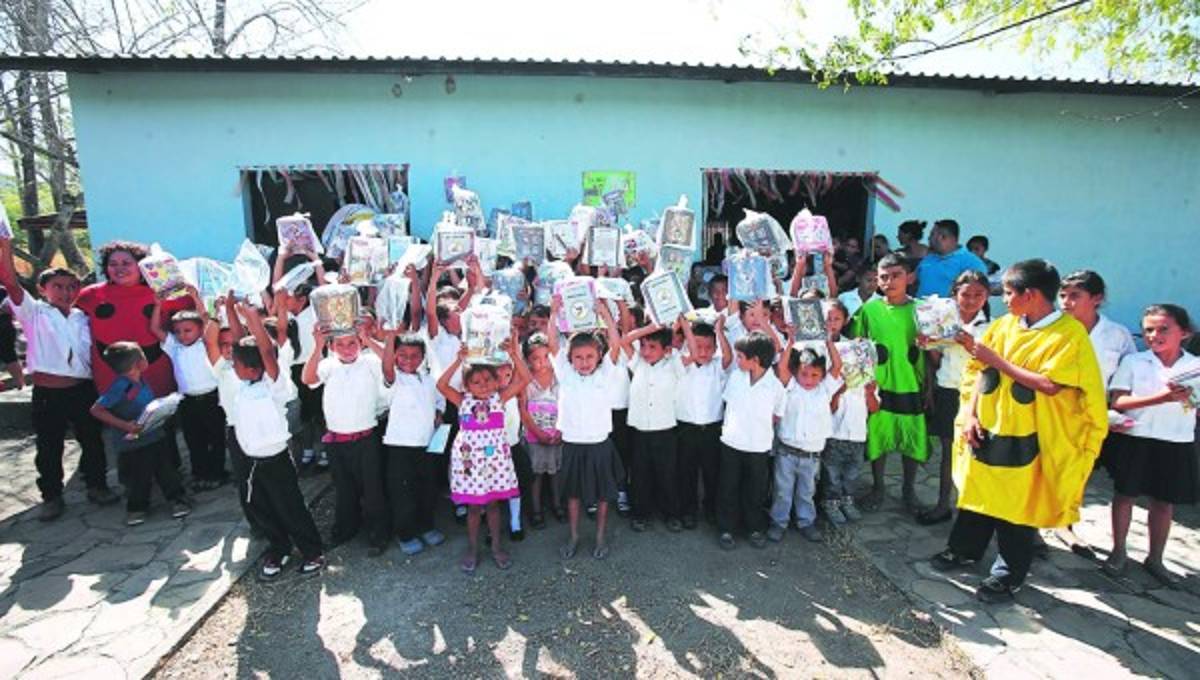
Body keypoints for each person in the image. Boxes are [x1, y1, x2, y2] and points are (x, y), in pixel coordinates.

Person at [931, 259, 1107, 603]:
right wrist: (971, 416)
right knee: (977, 494)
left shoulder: (1068, 336)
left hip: (1031, 437)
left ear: (1031, 294)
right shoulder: (1004, 326)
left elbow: (1050, 384)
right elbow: (978, 373)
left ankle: (1008, 575)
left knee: (1018, 507)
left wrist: (997, 361)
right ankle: (964, 550)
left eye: (1009, 293)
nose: (1005, 299)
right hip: (989, 426)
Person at [0, 237, 115, 518]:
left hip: (82, 388)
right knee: (49, 445)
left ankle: (97, 485)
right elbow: (12, 284)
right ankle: (51, 495)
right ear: (43, 289)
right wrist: (6, 248)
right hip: (49, 392)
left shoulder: (83, 317)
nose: (65, 292)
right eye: (58, 287)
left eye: (71, 287)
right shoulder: (35, 313)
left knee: (92, 440)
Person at [227, 302, 325, 581]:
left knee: (290, 507)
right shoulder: (244, 386)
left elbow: (266, 351)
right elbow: (238, 340)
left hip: (276, 460)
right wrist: (234, 314)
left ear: (252, 368)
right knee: (262, 508)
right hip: (251, 460)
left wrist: (253, 319)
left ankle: (312, 551)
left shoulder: (274, 386)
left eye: (236, 364)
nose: (232, 367)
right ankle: (279, 547)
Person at [1103, 304, 1198, 586]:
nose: (1155, 335)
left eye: (1163, 329)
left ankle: (1155, 557)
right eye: (1148, 330)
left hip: (1175, 439)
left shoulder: (1194, 366)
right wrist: (1160, 398)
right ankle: (1118, 551)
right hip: (1137, 437)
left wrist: (1188, 399)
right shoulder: (1135, 362)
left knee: (1164, 502)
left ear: (1185, 333)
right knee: (1125, 495)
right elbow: (1119, 401)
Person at [436, 334, 531, 574]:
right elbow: (441, 385)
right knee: (474, 508)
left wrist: (513, 355)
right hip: (469, 463)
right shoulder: (462, 400)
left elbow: (525, 378)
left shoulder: (500, 398)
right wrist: (459, 361)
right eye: (476, 382)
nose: (484, 385)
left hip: (495, 463)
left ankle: (497, 546)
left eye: (488, 379)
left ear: (497, 381)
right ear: (467, 385)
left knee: (494, 506)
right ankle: (473, 548)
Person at [848, 254, 928, 512]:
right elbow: (856, 345)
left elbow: (931, 352)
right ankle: (878, 486)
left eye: (896, 275)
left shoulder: (922, 310)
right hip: (878, 386)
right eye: (884, 277)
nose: (890, 281)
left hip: (910, 384)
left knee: (910, 434)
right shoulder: (869, 310)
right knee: (878, 435)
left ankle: (909, 488)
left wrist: (929, 387)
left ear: (909, 277)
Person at [547, 297, 625, 560]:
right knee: (573, 494)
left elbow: (616, 344)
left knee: (603, 494)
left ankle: (600, 536)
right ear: (570, 359)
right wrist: (554, 313)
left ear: (599, 356)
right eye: (578, 357)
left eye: (590, 356)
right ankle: (574, 535)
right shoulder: (566, 374)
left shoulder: (605, 374)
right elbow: (552, 342)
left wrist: (604, 313)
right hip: (572, 443)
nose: (584, 362)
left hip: (600, 443)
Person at [302, 325, 388, 556]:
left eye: (352, 343)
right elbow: (308, 378)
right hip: (337, 440)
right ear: (331, 346)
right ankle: (346, 530)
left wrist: (368, 339)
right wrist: (317, 345)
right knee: (344, 488)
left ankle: (378, 534)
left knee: (372, 490)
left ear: (360, 344)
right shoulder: (328, 365)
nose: (347, 349)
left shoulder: (369, 362)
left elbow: (390, 365)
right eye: (339, 344)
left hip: (366, 437)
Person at [918, 270, 991, 525]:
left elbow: (989, 362)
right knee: (949, 450)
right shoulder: (944, 321)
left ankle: (973, 509)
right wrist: (929, 343)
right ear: (955, 295)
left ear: (987, 296)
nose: (970, 300)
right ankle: (943, 504)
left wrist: (968, 343)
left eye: (978, 295)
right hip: (948, 390)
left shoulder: (992, 328)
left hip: (978, 396)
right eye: (965, 294)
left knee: (976, 454)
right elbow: (937, 359)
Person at [90, 342, 191, 526]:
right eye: (143, 355)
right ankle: (137, 508)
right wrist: (125, 425)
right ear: (137, 364)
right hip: (133, 444)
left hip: (154, 435)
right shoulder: (120, 387)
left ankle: (177, 500)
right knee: (138, 477)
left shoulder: (140, 380)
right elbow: (97, 410)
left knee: (166, 471)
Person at [715, 326, 786, 550]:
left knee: (755, 490)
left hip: (758, 446)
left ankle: (754, 528)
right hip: (732, 443)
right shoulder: (736, 377)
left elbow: (776, 415)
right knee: (728, 487)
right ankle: (726, 528)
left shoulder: (774, 386)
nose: (737, 361)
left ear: (755, 360)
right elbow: (727, 402)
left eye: (740, 357)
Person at [150, 287, 227, 491]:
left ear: (200, 329)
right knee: (194, 440)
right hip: (188, 401)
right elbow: (156, 330)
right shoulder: (174, 346)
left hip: (212, 398)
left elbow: (205, 317)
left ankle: (217, 473)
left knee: (217, 438)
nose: (182, 335)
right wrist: (158, 305)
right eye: (177, 331)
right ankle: (200, 473)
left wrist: (195, 297)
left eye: (187, 330)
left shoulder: (205, 343)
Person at [769, 332, 842, 544]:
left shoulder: (824, 390)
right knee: (782, 491)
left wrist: (829, 341)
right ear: (796, 373)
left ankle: (805, 521)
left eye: (814, 375)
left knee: (806, 491)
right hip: (787, 452)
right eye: (804, 374)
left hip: (811, 455)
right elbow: (782, 369)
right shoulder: (791, 388)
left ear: (821, 376)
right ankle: (778, 522)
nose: (808, 380)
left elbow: (836, 367)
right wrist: (791, 341)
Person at [380, 331, 446, 556]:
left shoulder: (428, 379)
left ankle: (426, 526)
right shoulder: (394, 379)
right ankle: (405, 534)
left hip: (427, 445)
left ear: (423, 356)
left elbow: (440, 401)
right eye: (402, 355)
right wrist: (390, 340)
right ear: (395, 356)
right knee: (402, 493)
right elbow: (387, 367)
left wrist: (438, 413)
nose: (408, 360)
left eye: (415, 355)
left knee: (427, 489)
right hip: (400, 446)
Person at [621, 323, 685, 533]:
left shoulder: (673, 363)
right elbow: (624, 341)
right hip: (639, 430)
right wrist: (650, 329)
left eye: (652, 347)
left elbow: (691, 351)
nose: (646, 351)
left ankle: (672, 513)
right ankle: (640, 513)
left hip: (665, 430)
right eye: (644, 346)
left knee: (667, 474)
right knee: (640, 474)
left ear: (666, 350)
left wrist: (681, 324)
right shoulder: (637, 362)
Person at [824, 301, 878, 524]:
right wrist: (839, 390)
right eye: (827, 318)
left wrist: (869, 393)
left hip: (857, 433)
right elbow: (827, 403)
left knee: (853, 473)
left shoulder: (855, 349)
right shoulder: (822, 349)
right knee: (831, 473)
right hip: (833, 430)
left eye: (837, 319)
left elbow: (875, 408)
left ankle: (847, 501)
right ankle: (830, 503)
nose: (831, 323)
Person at [676, 320, 729, 528]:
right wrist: (682, 321)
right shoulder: (681, 365)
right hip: (686, 428)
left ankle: (711, 509)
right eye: (698, 346)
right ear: (688, 345)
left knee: (712, 473)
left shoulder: (718, 367)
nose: (703, 352)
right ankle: (687, 510)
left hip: (712, 429)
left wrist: (719, 331)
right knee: (685, 472)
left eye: (709, 347)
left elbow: (728, 357)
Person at [1058, 271, 1136, 387]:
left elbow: (1130, 376)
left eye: (1074, 295)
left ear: (1097, 298)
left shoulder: (1117, 334)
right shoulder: (1051, 332)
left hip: (1100, 402)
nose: (1065, 302)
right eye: (1062, 296)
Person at [519, 333, 563, 528]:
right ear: (528, 360)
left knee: (555, 472)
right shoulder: (526, 381)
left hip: (556, 434)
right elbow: (522, 409)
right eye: (536, 359)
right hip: (533, 436)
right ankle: (535, 510)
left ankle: (557, 504)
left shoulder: (559, 378)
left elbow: (566, 405)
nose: (542, 363)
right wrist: (537, 432)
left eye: (546, 357)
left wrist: (560, 431)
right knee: (536, 475)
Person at [915, 220, 988, 298]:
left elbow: (978, 294)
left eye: (932, 234)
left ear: (942, 237)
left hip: (950, 309)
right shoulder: (929, 258)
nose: (929, 238)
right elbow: (915, 281)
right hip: (921, 308)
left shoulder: (972, 263)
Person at [0, 289, 25, 391]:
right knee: (9, 355)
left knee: (9, 355)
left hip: (4, 327)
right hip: (5, 326)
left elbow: (14, 307)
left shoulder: (3, 291)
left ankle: (20, 384)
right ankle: (20, 384)